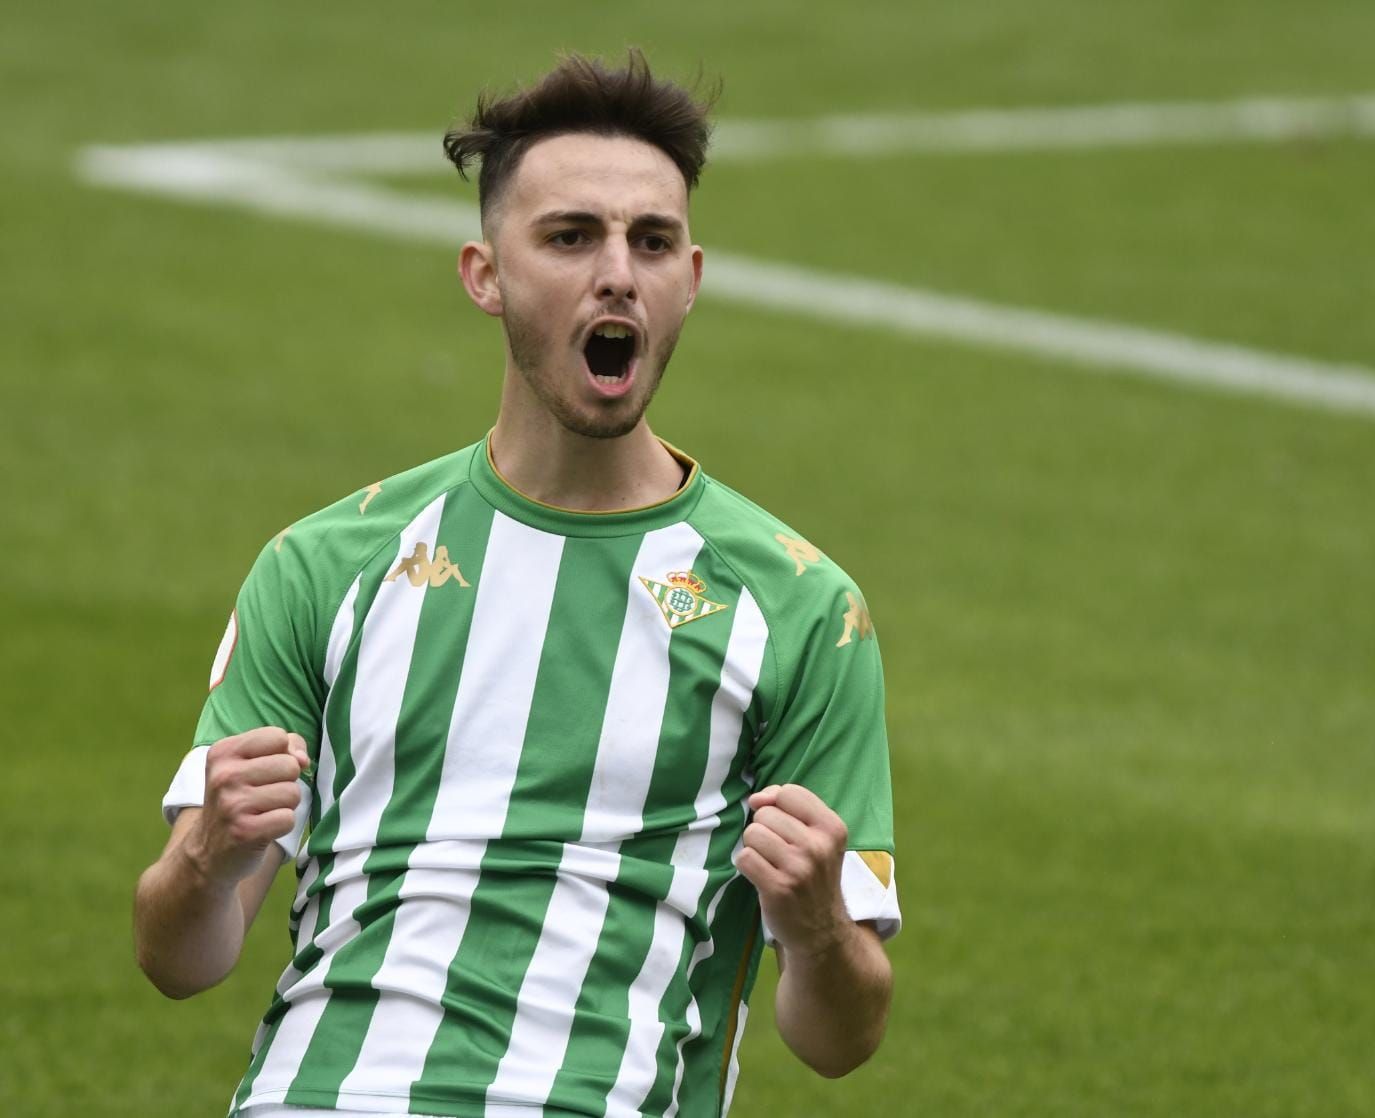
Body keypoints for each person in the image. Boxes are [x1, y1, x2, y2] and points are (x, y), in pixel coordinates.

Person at [132, 50, 899, 1118]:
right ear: (484, 273)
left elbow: (841, 1036)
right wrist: (208, 853)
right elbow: (180, 955)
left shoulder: (800, 607)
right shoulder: (324, 564)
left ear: (691, 278)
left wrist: (815, 922)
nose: (617, 272)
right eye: (571, 236)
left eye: (652, 240)